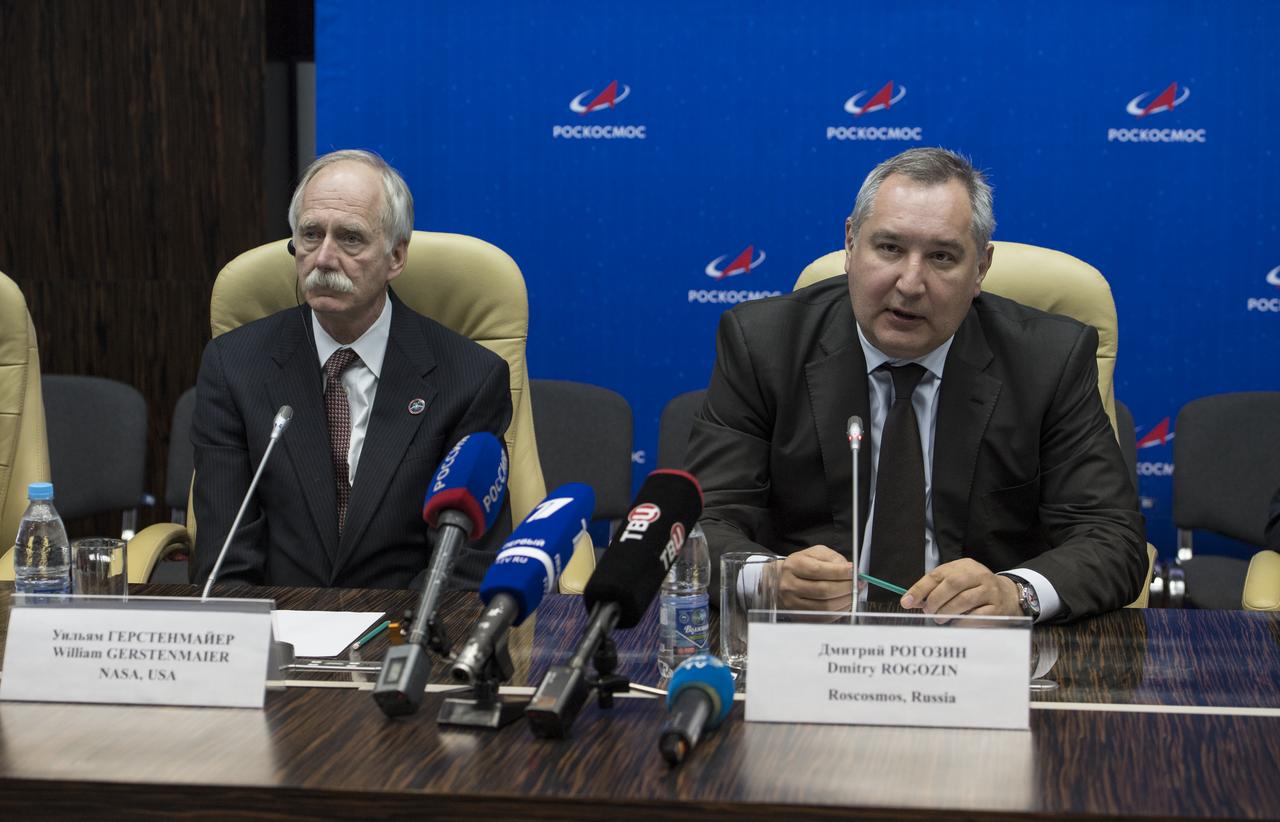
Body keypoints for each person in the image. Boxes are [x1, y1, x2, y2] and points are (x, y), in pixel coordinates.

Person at [686, 147, 1145, 622]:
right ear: (849, 243)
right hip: (813, 644)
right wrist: (767, 579)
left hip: (979, 651)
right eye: (889, 248)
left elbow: (1113, 538)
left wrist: (1014, 594)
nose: (909, 282)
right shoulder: (764, 345)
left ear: (980, 269)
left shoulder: (1048, 359)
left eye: (942, 257)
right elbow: (698, 522)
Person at [192, 150, 512, 589]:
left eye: (350, 238)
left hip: (402, 635)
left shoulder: (470, 378)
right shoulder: (233, 367)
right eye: (310, 235)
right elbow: (224, 559)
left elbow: (462, 571)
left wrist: (398, 650)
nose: (323, 258)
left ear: (396, 257)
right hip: (277, 634)